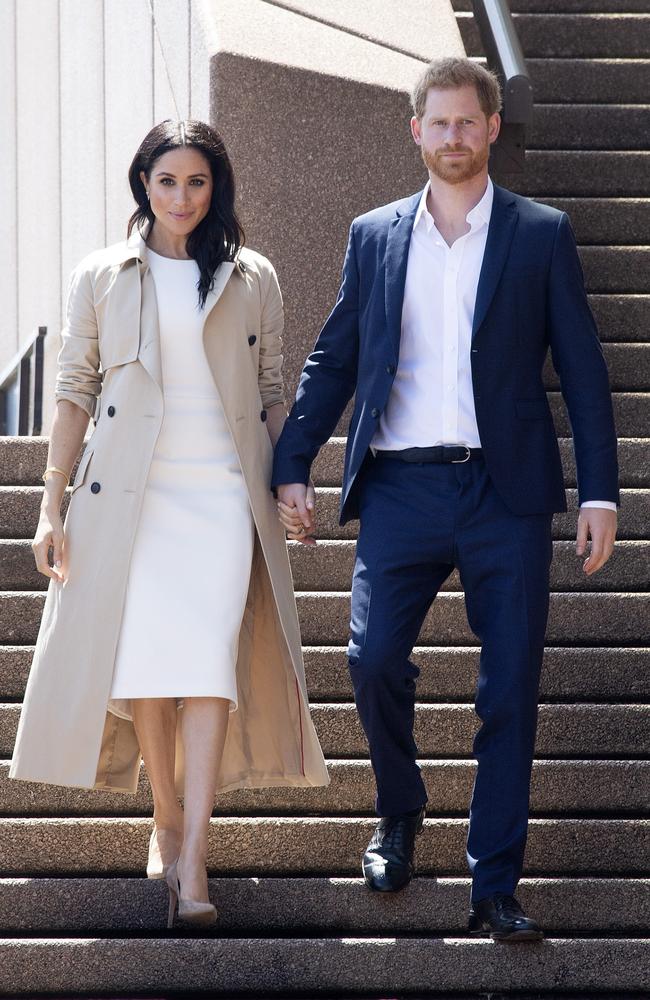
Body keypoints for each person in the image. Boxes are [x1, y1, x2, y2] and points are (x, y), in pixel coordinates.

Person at [272, 58, 618, 941]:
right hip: (401, 484)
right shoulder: (375, 235)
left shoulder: (541, 233)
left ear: (492, 128)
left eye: (470, 123)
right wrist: (292, 462)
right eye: (441, 124)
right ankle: (400, 812)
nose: (455, 138)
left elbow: (581, 369)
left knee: (509, 691)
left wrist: (601, 493)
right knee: (372, 658)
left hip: (506, 494)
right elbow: (334, 358)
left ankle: (494, 883)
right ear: (415, 130)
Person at [10, 119, 329, 928]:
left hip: (222, 493)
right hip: (130, 496)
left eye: (197, 182)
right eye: (167, 181)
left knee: (206, 665)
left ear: (215, 187)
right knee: (149, 665)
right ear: (142, 185)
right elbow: (75, 387)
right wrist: (52, 501)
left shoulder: (251, 273)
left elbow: (270, 388)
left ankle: (194, 859)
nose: (182, 197)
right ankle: (166, 819)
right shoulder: (103, 274)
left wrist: (290, 476)